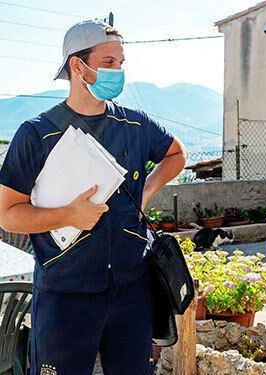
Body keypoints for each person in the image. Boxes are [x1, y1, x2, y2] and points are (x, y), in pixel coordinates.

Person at [0, 20, 188, 374]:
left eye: (120, 62)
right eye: (108, 62)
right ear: (77, 65)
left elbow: (177, 155)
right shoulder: (35, 134)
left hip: (132, 289)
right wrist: (68, 215)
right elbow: (8, 214)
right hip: (64, 294)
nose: (118, 71)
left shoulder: (136, 125)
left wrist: (146, 191)